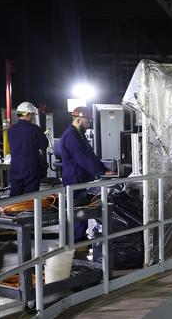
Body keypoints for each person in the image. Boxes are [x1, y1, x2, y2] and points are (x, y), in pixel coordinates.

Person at [59, 107, 112, 241]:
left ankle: (79, 240)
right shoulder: (72, 135)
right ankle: (75, 242)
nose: (88, 125)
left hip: (80, 177)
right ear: (78, 119)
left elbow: (90, 155)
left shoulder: (79, 134)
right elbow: (83, 157)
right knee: (78, 211)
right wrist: (101, 171)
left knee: (82, 210)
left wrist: (103, 169)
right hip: (75, 179)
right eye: (87, 121)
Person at [8, 101, 48, 196]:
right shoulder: (35, 129)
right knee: (31, 198)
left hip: (15, 168)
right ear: (28, 114)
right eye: (32, 115)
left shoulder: (11, 129)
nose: (33, 117)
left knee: (14, 198)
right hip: (31, 168)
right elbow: (44, 145)